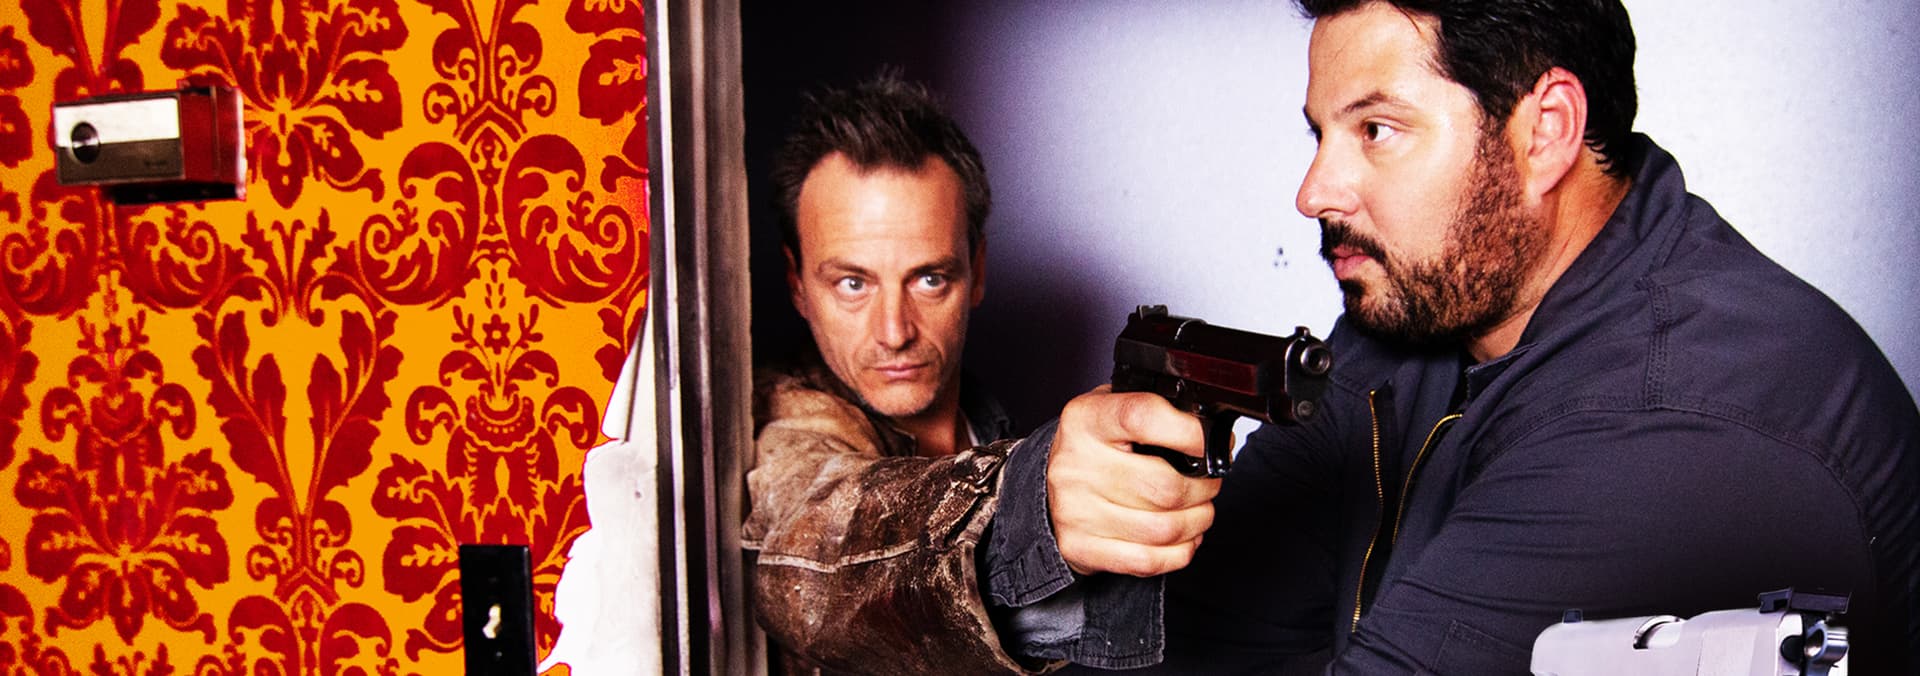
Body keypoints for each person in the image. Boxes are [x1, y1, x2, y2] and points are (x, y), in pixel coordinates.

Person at [756, 2, 1920, 675]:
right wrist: (1045, 527)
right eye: (1320, 131)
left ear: (1546, 132)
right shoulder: (1415, 319)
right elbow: (1210, 625)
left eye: (1376, 130)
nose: (1314, 189)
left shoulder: (1681, 426)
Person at [740, 75, 1031, 674]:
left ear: (976, 271)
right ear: (798, 285)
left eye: (929, 279)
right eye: (853, 283)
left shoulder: (988, 421)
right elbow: (819, 537)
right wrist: (1044, 503)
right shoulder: (788, 426)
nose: (894, 331)